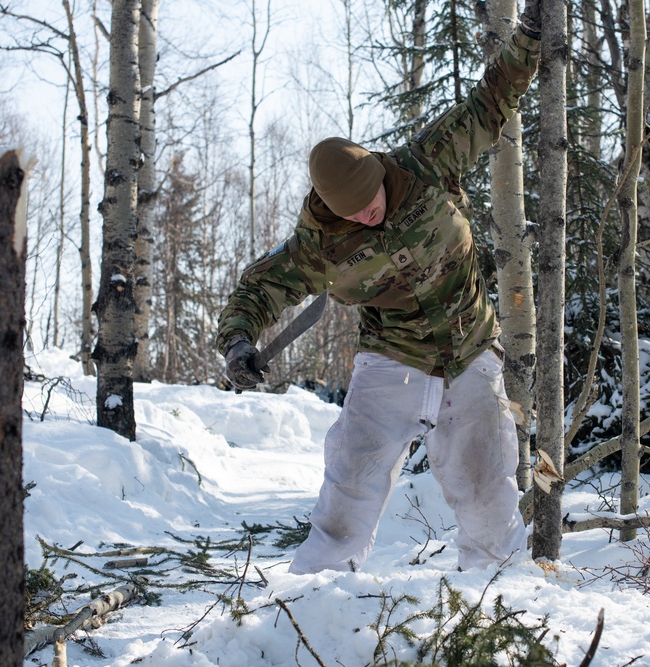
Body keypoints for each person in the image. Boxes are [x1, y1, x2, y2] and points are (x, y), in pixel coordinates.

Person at [216, 5, 542, 575]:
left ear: (381, 175)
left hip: (469, 348)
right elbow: (258, 289)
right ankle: (314, 599)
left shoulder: (426, 162)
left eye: (372, 203)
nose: (368, 217)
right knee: (351, 484)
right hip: (392, 358)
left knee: (489, 490)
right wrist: (238, 342)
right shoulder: (319, 245)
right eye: (353, 216)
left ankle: (502, 599)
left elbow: (490, 101)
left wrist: (530, 38)